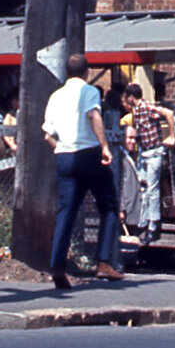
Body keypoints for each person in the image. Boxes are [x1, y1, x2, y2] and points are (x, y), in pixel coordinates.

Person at [43, 54, 123, 288]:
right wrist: (105, 146)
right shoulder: (89, 92)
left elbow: (47, 134)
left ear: (66, 72)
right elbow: (93, 115)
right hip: (89, 153)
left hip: (65, 157)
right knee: (108, 206)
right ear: (86, 72)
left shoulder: (55, 97)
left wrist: (62, 149)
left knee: (66, 211)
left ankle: (57, 264)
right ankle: (104, 262)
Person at [121, 83, 175, 243]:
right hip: (144, 153)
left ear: (132, 97)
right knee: (143, 187)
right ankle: (143, 220)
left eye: (127, 97)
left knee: (152, 189)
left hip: (154, 152)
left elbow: (169, 113)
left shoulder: (146, 107)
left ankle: (154, 223)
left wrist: (171, 136)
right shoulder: (136, 111)